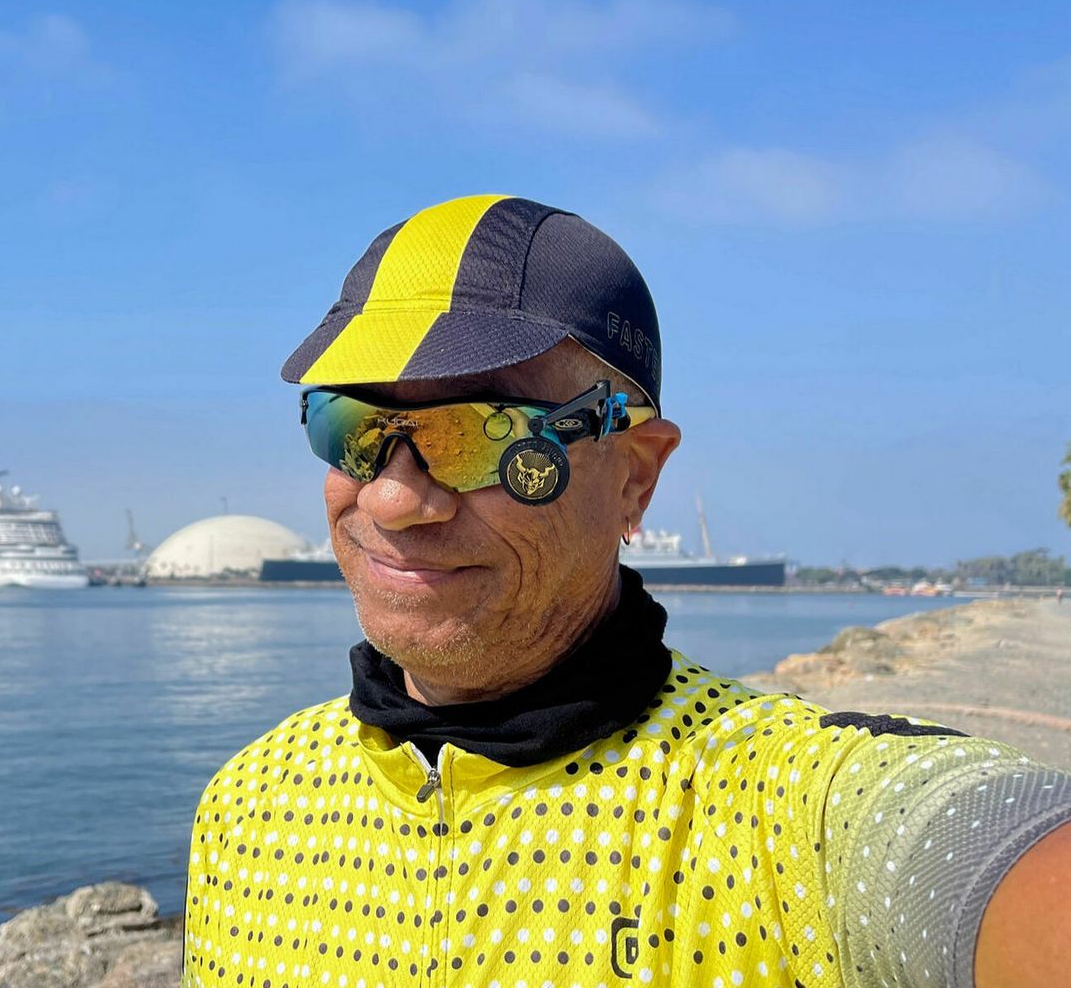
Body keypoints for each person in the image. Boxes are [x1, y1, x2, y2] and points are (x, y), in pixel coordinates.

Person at [182, 195, 1071, 988]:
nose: (391, 498)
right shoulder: (248, 807)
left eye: (485, 432)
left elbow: (963, 845)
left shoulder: (772, 809)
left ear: (635, 476)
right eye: (352, 427)